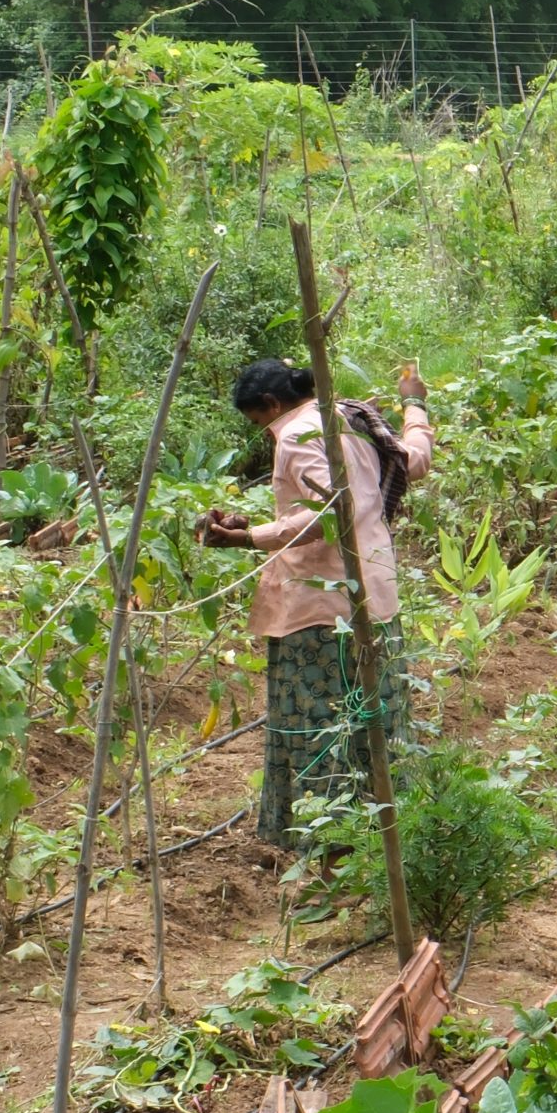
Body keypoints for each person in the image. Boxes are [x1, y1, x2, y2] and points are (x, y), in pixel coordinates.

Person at [199, 358, 433, 849]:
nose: (263, 432)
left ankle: (334, 849)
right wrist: (414, 403)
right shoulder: (349, 418)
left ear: (270, 404)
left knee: (323, 728)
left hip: (323, 609)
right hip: (375, 593)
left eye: (258, 421)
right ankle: (385, 838)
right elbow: (413, 461)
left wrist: (248, 538)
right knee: (374, 720)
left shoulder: (296, 434)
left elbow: (330, 513)